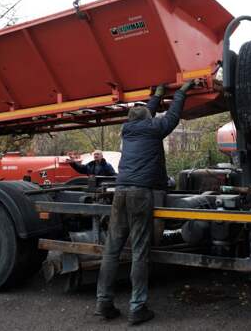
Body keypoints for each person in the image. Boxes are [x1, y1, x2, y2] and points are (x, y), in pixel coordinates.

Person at [95, 80, 195, 326]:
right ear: (147, 118)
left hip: (120, 191)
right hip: (141, 193)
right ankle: (137, 307)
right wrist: (181, 92)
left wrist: (156, 95)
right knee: (140, 251)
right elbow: (173, 116)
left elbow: (146, 113)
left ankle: (103, 303)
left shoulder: (127, 129)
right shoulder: (155, 128)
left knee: (112, 249)